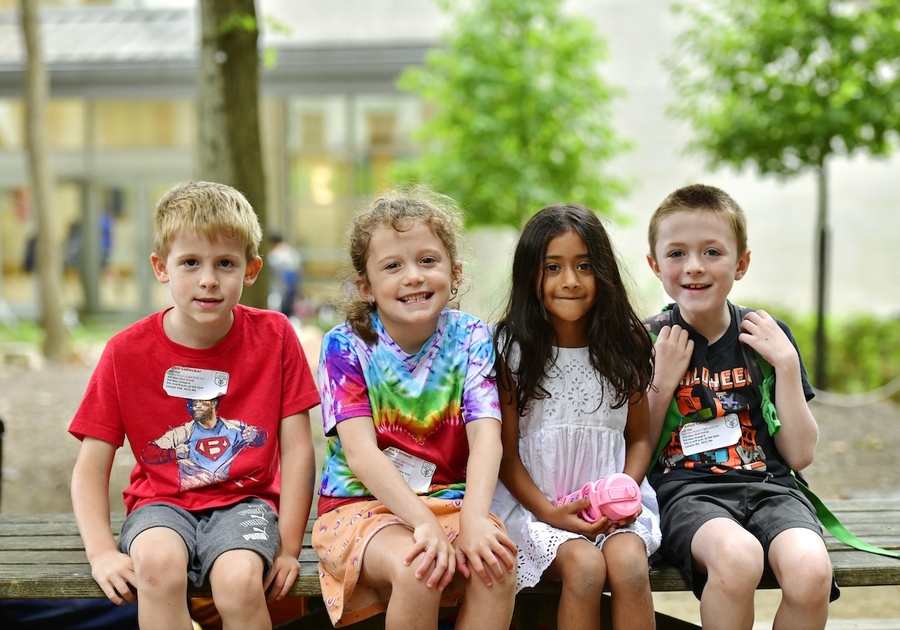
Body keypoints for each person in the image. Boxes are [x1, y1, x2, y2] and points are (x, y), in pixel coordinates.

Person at [68, 181, 320, 630]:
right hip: (159, 503)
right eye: (190, 263)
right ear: (161, 267)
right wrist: (102, 552)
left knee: (241, 581)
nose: (208, 279)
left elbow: (299, 449)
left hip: (247, 502)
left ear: (251, 269)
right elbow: (90, 466)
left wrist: (287, 548)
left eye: (225, 263)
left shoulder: (277, 337)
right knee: (157, 566)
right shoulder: (124, 353)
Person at [312, 187, 517, 629]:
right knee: (418, 567)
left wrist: (477, 519)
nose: (414, 276)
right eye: (392, 266)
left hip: (452, 501)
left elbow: (486, 435)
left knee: (496, 566)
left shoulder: (471, 337)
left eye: (428, 260)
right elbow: (361, 453)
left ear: (455, 271)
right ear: (365, 285)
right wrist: (422, 521)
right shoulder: (345, 346)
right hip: (358, 506)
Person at [644, 183, 838, 630]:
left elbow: (801, 454)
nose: (694, 267)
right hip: (687, 492)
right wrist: (661, 382)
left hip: (772, 487)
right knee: (737, 559)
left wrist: (786, 365)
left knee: (811, 572)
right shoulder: (646, 341)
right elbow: (633, 450)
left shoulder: (765, 335)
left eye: (712, 252)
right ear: (655, 265)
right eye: (676, 254)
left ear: (742, 262)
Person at [490, 204, 661, 630]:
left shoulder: (627, 344)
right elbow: (505, 456)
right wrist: (550, 513)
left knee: (630, 569)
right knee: (585, 569)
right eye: (553, 267)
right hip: (534, 511)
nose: (570, 280)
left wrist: (626, 493)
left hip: (615, 510)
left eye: (584, 265)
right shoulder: (512, 350)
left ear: (602, 272)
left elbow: (639, 438)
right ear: (531, 275)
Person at [267, 232, 302, 318]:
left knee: (278, 314)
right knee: (289, 313)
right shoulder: (292, 253)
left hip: (278, 290)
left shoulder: (273, 256)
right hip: (292, 288)